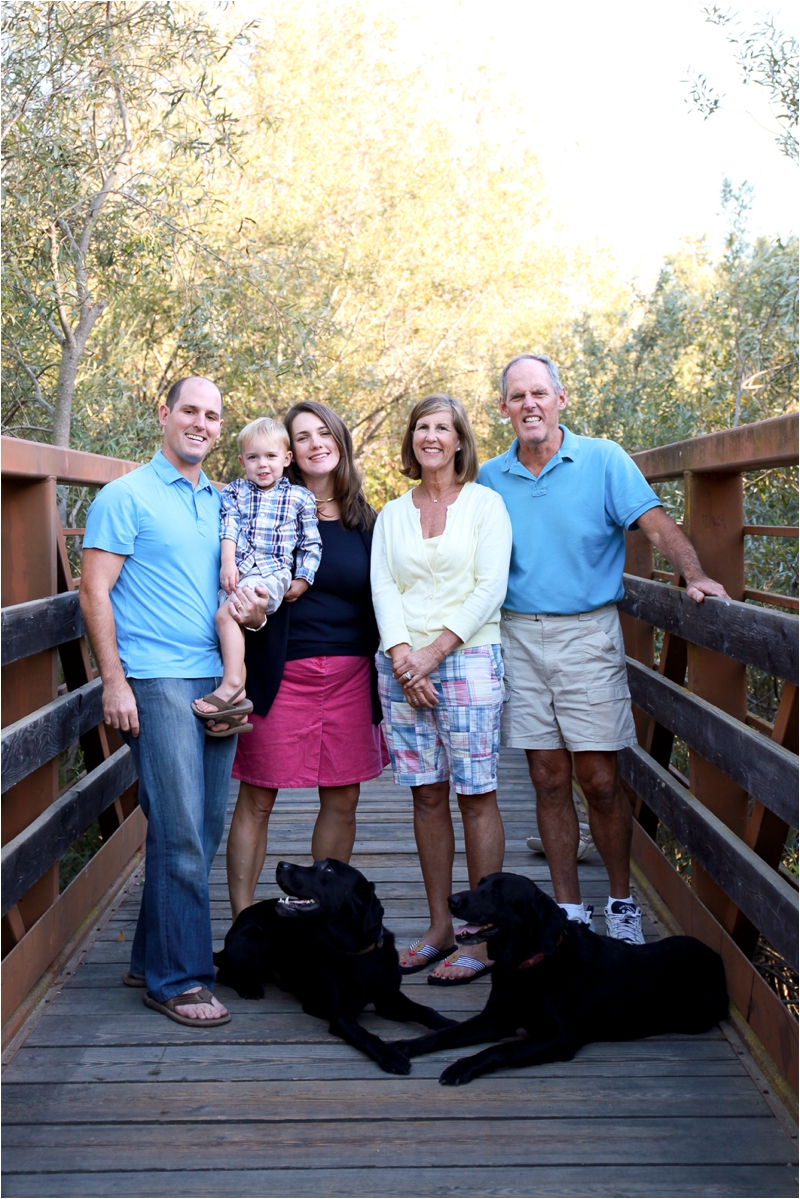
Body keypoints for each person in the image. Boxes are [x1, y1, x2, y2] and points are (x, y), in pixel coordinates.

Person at [478, 353, 727, 944]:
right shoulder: (490, 476)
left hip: (588, 633)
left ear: (561, 399)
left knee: (600, 778)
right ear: (504, 407)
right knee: (546, 776)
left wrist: (694, 574)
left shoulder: (604, 459)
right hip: (518, 633)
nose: (530, 404)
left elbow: (656, 525)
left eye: (540, 393)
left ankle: (620, 904)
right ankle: (569, 911)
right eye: (518, 396)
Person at [80, 376, 269, 1026]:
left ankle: (150, 956)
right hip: (156, 679)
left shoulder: (223, 501)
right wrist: (113, 681)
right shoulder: (125, 495)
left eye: (212, 415)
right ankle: (179, 979)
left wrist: (253, 609)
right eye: (190, 410)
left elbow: (235, 590)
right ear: (164, 414)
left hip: (218, 680)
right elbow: (93, 592)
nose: (201, 423)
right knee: (183, 829)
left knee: (201, 827)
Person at [226, 401, 389, 919]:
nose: (316, 443)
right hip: (280, 672)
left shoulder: (370, 521)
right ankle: (243, 923)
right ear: (288, 452)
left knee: (342, 798)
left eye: (325, 433)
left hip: (349, 676)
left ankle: (323, 917)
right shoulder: (263, 506)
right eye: (302, 436)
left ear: (340, 441)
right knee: (258, 797)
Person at [371, 394, 512, 985]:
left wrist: (433, 654)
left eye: (442, 428)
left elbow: (490, 586)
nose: (431, 436)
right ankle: (439, 928)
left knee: (475, 793)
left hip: (469, 658)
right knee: (426, 795)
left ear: (459, 441)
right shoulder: (391, 514)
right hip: (402, 664)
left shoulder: (486, 505)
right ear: (412, 439)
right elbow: (383, 587)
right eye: (421, 427)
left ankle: (483, 939)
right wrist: (404, 657)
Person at [191, 417, 321, 732]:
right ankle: (237, 709)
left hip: (272, 574)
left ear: (286, 459)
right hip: (240, 572)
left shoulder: (299, 497)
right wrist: (227, 562)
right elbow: (229, 528)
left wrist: (302, 580)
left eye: (270, 456)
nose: (262, 464)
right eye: (253, 457)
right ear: (242, 462)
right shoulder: (235, 492)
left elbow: (311, 544)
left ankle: (232, 685)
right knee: (228, 625)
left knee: (225, 617)